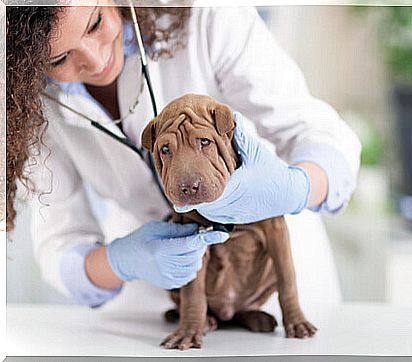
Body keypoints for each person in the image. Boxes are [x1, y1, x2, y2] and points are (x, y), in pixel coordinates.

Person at [6, 2, 361, 308]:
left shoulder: (207, 14)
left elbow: (316, 132)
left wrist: (295, 188)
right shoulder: (33, 104)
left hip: (266, 271)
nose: (96, 60)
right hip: (164, 298)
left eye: (96, 22)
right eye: (60, 58)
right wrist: (121, 262)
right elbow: (60, 244)